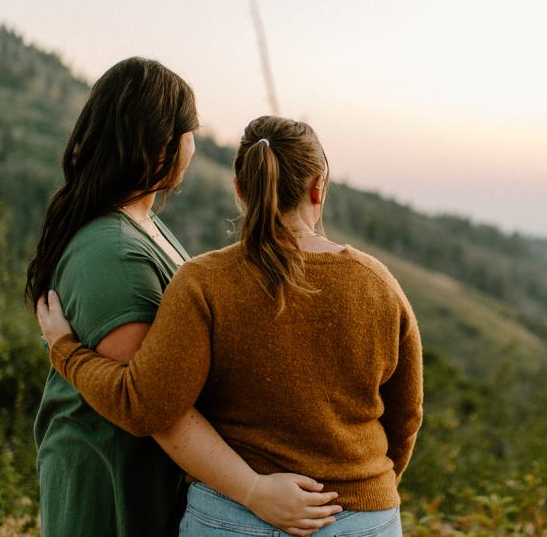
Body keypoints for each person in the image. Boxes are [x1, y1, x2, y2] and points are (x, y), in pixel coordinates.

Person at [36, 114, 424, 537]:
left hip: (231, 518)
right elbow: (406, 417)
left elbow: (145, 406)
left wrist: (67, 352)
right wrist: (364, 488)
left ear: (240, 189)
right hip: (362, 517)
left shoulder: (204, 282)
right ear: (319, 187)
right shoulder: (377, 283)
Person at [27, 62, 340, 536]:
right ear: (160, 145)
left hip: (152, 481)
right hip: (115, 490)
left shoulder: (142, 222)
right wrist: (254, 490)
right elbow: (153, 405)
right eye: (189, 131)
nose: (194, 145)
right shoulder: (113, 255)